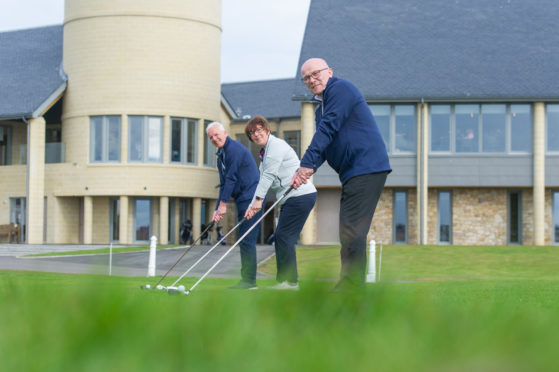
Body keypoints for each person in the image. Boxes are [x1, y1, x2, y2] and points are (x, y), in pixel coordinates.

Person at [291, 58, 392, 291]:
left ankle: (350, 286)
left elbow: (329, 127)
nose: (311, 80)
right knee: (348, 229)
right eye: (306, 77)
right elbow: (324, 147)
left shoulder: (341, 89)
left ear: (329, 72)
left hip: (367, 167)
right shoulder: (321, 110)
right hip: (353, 173)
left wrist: (306, 164)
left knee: (352, 230)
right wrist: (304, 171)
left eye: (315, 73)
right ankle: (351, 284)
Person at [244, 115, 317, 291]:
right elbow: (265, 178)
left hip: (300, 196)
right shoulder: (265, 151)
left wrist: (258, 202)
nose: (256, 134)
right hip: (290, 199)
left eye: (259, 130)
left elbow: (268, 176)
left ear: (267, 130)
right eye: (252, 133)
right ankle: (283, 281)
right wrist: (252, 205)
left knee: (285, 237)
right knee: (280, 237)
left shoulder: (276, 146)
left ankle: (291, 282)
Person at [207, 121, 263, 290]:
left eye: (217, 135)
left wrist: (224, 205)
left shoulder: (235, 150)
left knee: (247, 240)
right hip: (242, 199)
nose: (215, 139)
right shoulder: (221, 155)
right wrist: (218, 208)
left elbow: (231, 178)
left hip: (252, 199)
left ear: (225, 133)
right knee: (244, 240)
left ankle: (249, 282)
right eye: (211, 137)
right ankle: (247, 280)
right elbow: (224, 184)